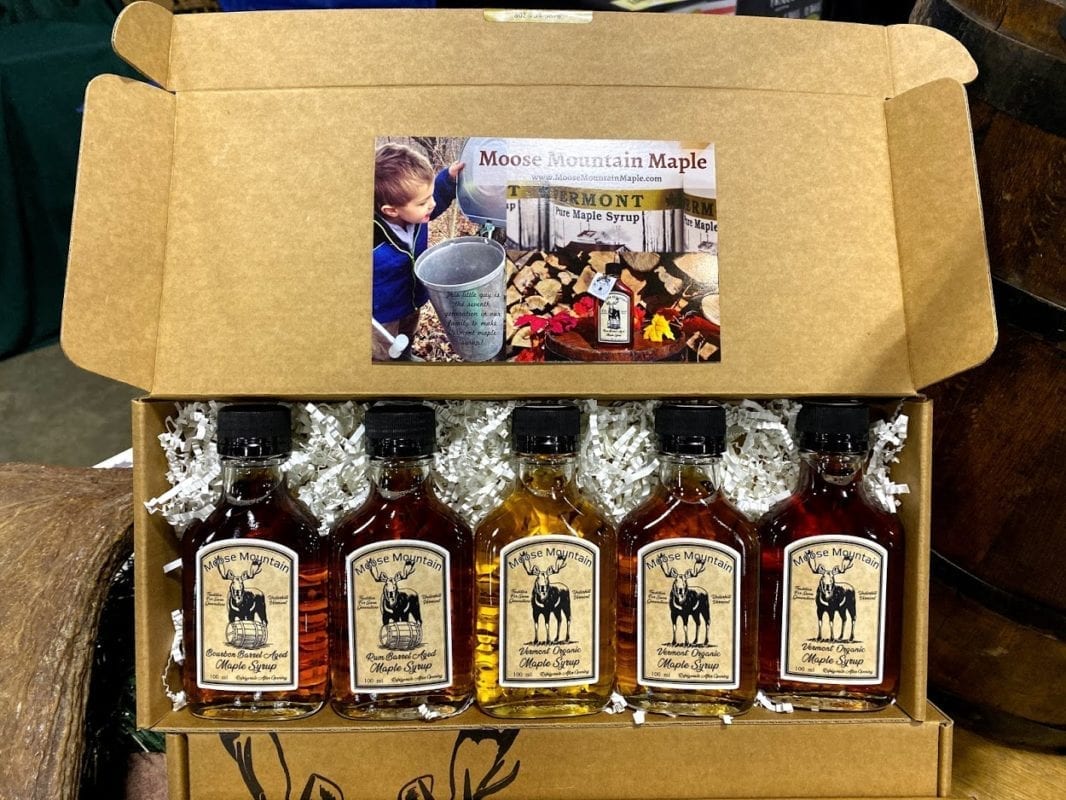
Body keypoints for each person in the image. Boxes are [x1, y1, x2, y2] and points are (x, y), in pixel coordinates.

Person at [372, 142, 464, 360]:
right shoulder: (372, 239)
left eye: (430, 196)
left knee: (407, 333)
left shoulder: (416, 215)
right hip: (382, 314)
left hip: (411, 301)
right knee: (384, 350)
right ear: (391, 210)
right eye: (423, 202)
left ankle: (406, 355)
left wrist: (448, 179)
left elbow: (436, 196)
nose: (432, 204)